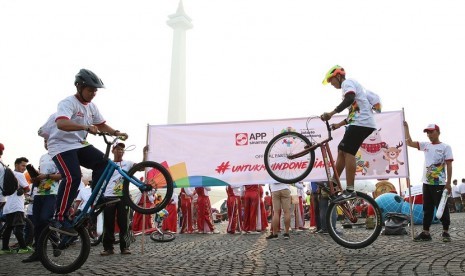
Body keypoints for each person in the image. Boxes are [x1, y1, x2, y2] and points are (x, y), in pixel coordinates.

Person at [46, 68, 128, 236]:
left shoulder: (92, 107)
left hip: (79, 144)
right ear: (79, 87)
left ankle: (97, 200)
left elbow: (101, 124)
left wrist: (116, 132)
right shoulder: (67, 103)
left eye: (95, 90)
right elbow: (62, 124)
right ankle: (59, 217)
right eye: (90, 89)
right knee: (73, 176)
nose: (93, 93)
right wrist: (85, 127)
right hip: (61, 146)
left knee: (104, 164)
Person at [320, 65, 376, 202]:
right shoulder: (351, 87)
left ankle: (350, 189)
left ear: (338, 76)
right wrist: (338, 125)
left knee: (348, 152)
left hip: (362, 123)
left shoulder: (347, 83)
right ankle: (333, 183)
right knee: (342, 149)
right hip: (361, 122)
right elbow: (353, 113)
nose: (331, 84)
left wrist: (332, 113)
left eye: (331, 80)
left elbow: (349, 99)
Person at [404, 122, 453, 242]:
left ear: (438, 132)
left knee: (442, 207)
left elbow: (449, 165)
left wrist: (448, 183)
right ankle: (426, 232)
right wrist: (406, 128)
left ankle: (445, 232)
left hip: (439, 183)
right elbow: (409, 143)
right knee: (427, 208)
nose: (429, 134)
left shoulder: (445, 147)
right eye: (427, 132)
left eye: (431, 132)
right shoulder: (426, 145)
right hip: (426, 182)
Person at [22, 139, 62, 263]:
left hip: (52, 193)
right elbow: (41, 176)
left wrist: (46, 176)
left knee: (45, 219)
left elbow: (63, 175)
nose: (46, 143)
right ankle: (38, 252)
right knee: (37, 223)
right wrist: (36, 177)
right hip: (39, 193)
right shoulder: (43, 157)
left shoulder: (60, 156)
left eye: (49, 140)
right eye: (45, 141)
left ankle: (56, 242)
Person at [0, 157, 32, 254]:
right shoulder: (19, 175)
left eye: (25, 166)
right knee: (19, 226)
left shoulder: (5, 173)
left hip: (8, 205)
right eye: (23, 165)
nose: (24, 168)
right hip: (17, 205)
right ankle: (23, 247)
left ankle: (5, 249)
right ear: (16, 165)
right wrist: (24, 190)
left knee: (9, 227)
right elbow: (27, 189)